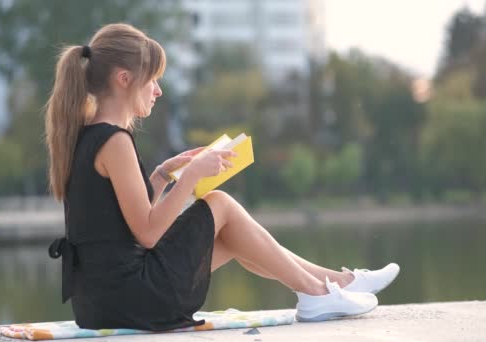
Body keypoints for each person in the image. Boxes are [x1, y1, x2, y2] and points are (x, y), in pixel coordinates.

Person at [45, 23, 400, 331]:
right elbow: (148, 234)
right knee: (220, 204)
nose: (158, 91)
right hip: (130, 299)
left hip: (101, 301)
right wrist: (191, 177)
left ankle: (335, 283)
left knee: (231, 237)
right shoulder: (115, 141)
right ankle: (318, 294)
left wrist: (159, 176)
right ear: (124, 79)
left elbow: (125, 225)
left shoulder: (88, 136)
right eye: (152, 80)